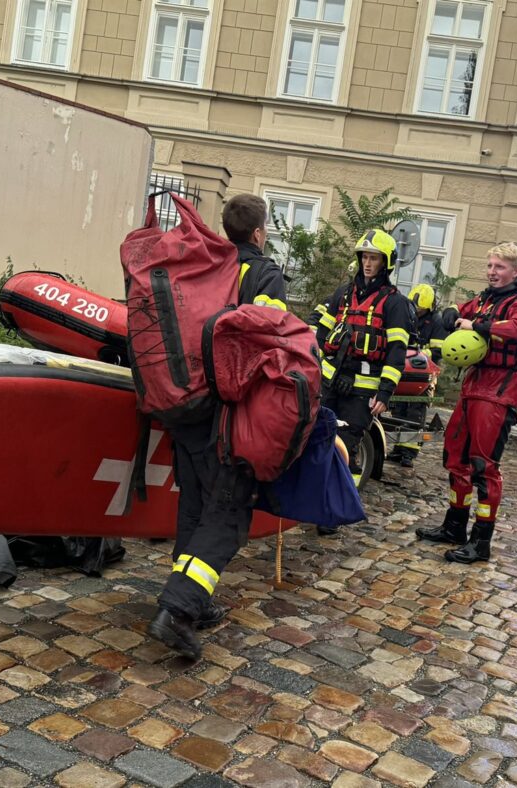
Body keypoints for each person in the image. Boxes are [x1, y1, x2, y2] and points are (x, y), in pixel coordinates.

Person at [148, 194, 288, 659]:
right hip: (225, 414)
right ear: (259, 233)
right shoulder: (263, 274)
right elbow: (265, 340)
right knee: (227, 515)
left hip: (182, 404)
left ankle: (196, 601)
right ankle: (179, 610)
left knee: (194, 504)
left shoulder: (209, 264)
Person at [416, 243, 517, 563]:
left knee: (483, 465)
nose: (492, 272)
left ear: (516, 271)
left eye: (499, 267)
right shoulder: (487, 299)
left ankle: (481, 541)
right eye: (490, 266)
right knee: (455, 455)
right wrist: (451, 314)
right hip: (475, 384)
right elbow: (462, 309)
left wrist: (475, 325)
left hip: (501, 388)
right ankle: (454, 525)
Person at [313, 229, 414, 490]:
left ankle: (332, 512)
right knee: (316, 439)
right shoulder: (343, 294)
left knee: (344, 448)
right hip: (331, 383)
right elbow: (321, 333)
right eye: (364, 257)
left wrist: (385, 392)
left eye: (374, 258)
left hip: (362, 393)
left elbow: (396, 351)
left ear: (386, 262)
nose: (368, 264)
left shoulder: (395, 304)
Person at [388, 283, 452, 467]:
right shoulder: (408, 315)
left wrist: (420, 353)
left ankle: (409, 452)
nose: (418, 312)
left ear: (429, 308)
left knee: (415, 412)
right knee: (398, 410)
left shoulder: (437, 322)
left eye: (421, 310)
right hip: (405, 370)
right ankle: (398, 449)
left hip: (424, 375)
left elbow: (438, 351)